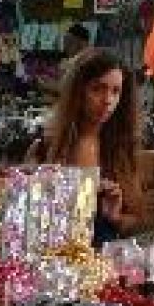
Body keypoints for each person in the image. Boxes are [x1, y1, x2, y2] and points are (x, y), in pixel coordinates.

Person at [31, 47, 144, 243]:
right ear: (78, 91)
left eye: (116, 91)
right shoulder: (45, 146)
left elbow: (136, 220)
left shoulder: (120, 150)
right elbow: (28, 218)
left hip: (101, 263)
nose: (107, 100)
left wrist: (115, 217)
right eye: (97, 88)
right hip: (51, 259)